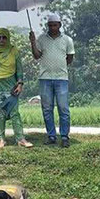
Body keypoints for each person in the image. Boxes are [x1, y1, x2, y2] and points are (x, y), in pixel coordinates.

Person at [0, 28, 33, 148]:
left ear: (8, 38)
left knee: (15, 113)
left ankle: (20, 139)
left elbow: (19, 69)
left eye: (4, 37)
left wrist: (20, 84)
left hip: (11, 86)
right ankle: (1, 139)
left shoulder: (14, 51)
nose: (1, 40)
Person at [29, 14, 75, 148]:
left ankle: (65, 136)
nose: (52, 27)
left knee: (63, 108)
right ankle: (51, 136)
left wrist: (59, 66)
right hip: (45, 78)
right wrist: (32, 42)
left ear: (59, 25)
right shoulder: (42, 39)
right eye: (50, 25)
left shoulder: (67, 40)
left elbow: (70, 58)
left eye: (55, 25)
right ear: (47, 26)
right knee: (47, 109)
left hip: (61, 79)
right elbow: (37, 56)